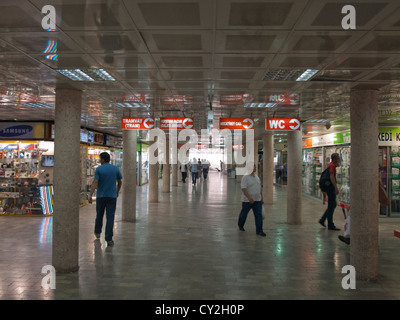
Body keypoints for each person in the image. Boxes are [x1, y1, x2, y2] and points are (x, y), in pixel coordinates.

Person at [88, 152, 122, 246]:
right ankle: (109, 238)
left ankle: (97, 232)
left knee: (99, 215)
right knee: (110, 217)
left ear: (103, 159)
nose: (99, 160)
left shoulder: (99, 169)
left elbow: (95, 182)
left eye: (100, 159)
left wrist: (90, 195)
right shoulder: (115, 169)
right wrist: (117, 191)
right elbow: (119, 181)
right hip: (112, 197)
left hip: (101, 197)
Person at [238, 162, 266, 237]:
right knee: (244, 214)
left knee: (258, 215)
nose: (255, 168)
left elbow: (259, 189)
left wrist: (261, 198)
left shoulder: (256, 177)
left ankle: (259, 230)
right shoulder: (245, 177)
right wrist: (249, 197)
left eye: (255, 166)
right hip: (247, 201)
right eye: (254, 166)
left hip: (257, 200)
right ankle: (240, 225)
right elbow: (243, 188)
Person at [319, 153, 340, 231]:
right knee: (332, 205)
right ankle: (329, 224)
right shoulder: (333, 166)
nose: (338, 160)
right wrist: (335, 187)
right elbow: (331, 177)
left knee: (332, 205)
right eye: (338, 158)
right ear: (334, 159)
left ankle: (324, 220)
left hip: (329, 188)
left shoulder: (330, 165)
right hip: (331, 188)